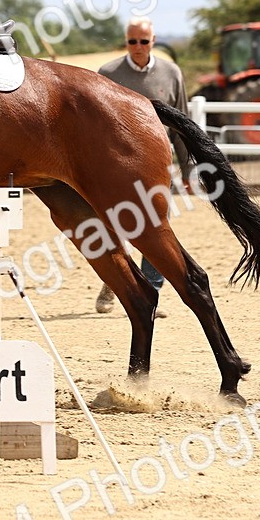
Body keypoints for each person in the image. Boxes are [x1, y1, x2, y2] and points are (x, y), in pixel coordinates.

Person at [95, 17, 195, 316]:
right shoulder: (108, 73)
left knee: (157, 227)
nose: (138, 47)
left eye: (144, 41)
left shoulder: (171, 73)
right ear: (126, 41)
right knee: (114, 223)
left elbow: (182, 126)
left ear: (153, 40)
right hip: (114, 163)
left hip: (157, 165)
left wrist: (189, 170)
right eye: (132, 41)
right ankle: (116, 281)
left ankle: (151, 291)